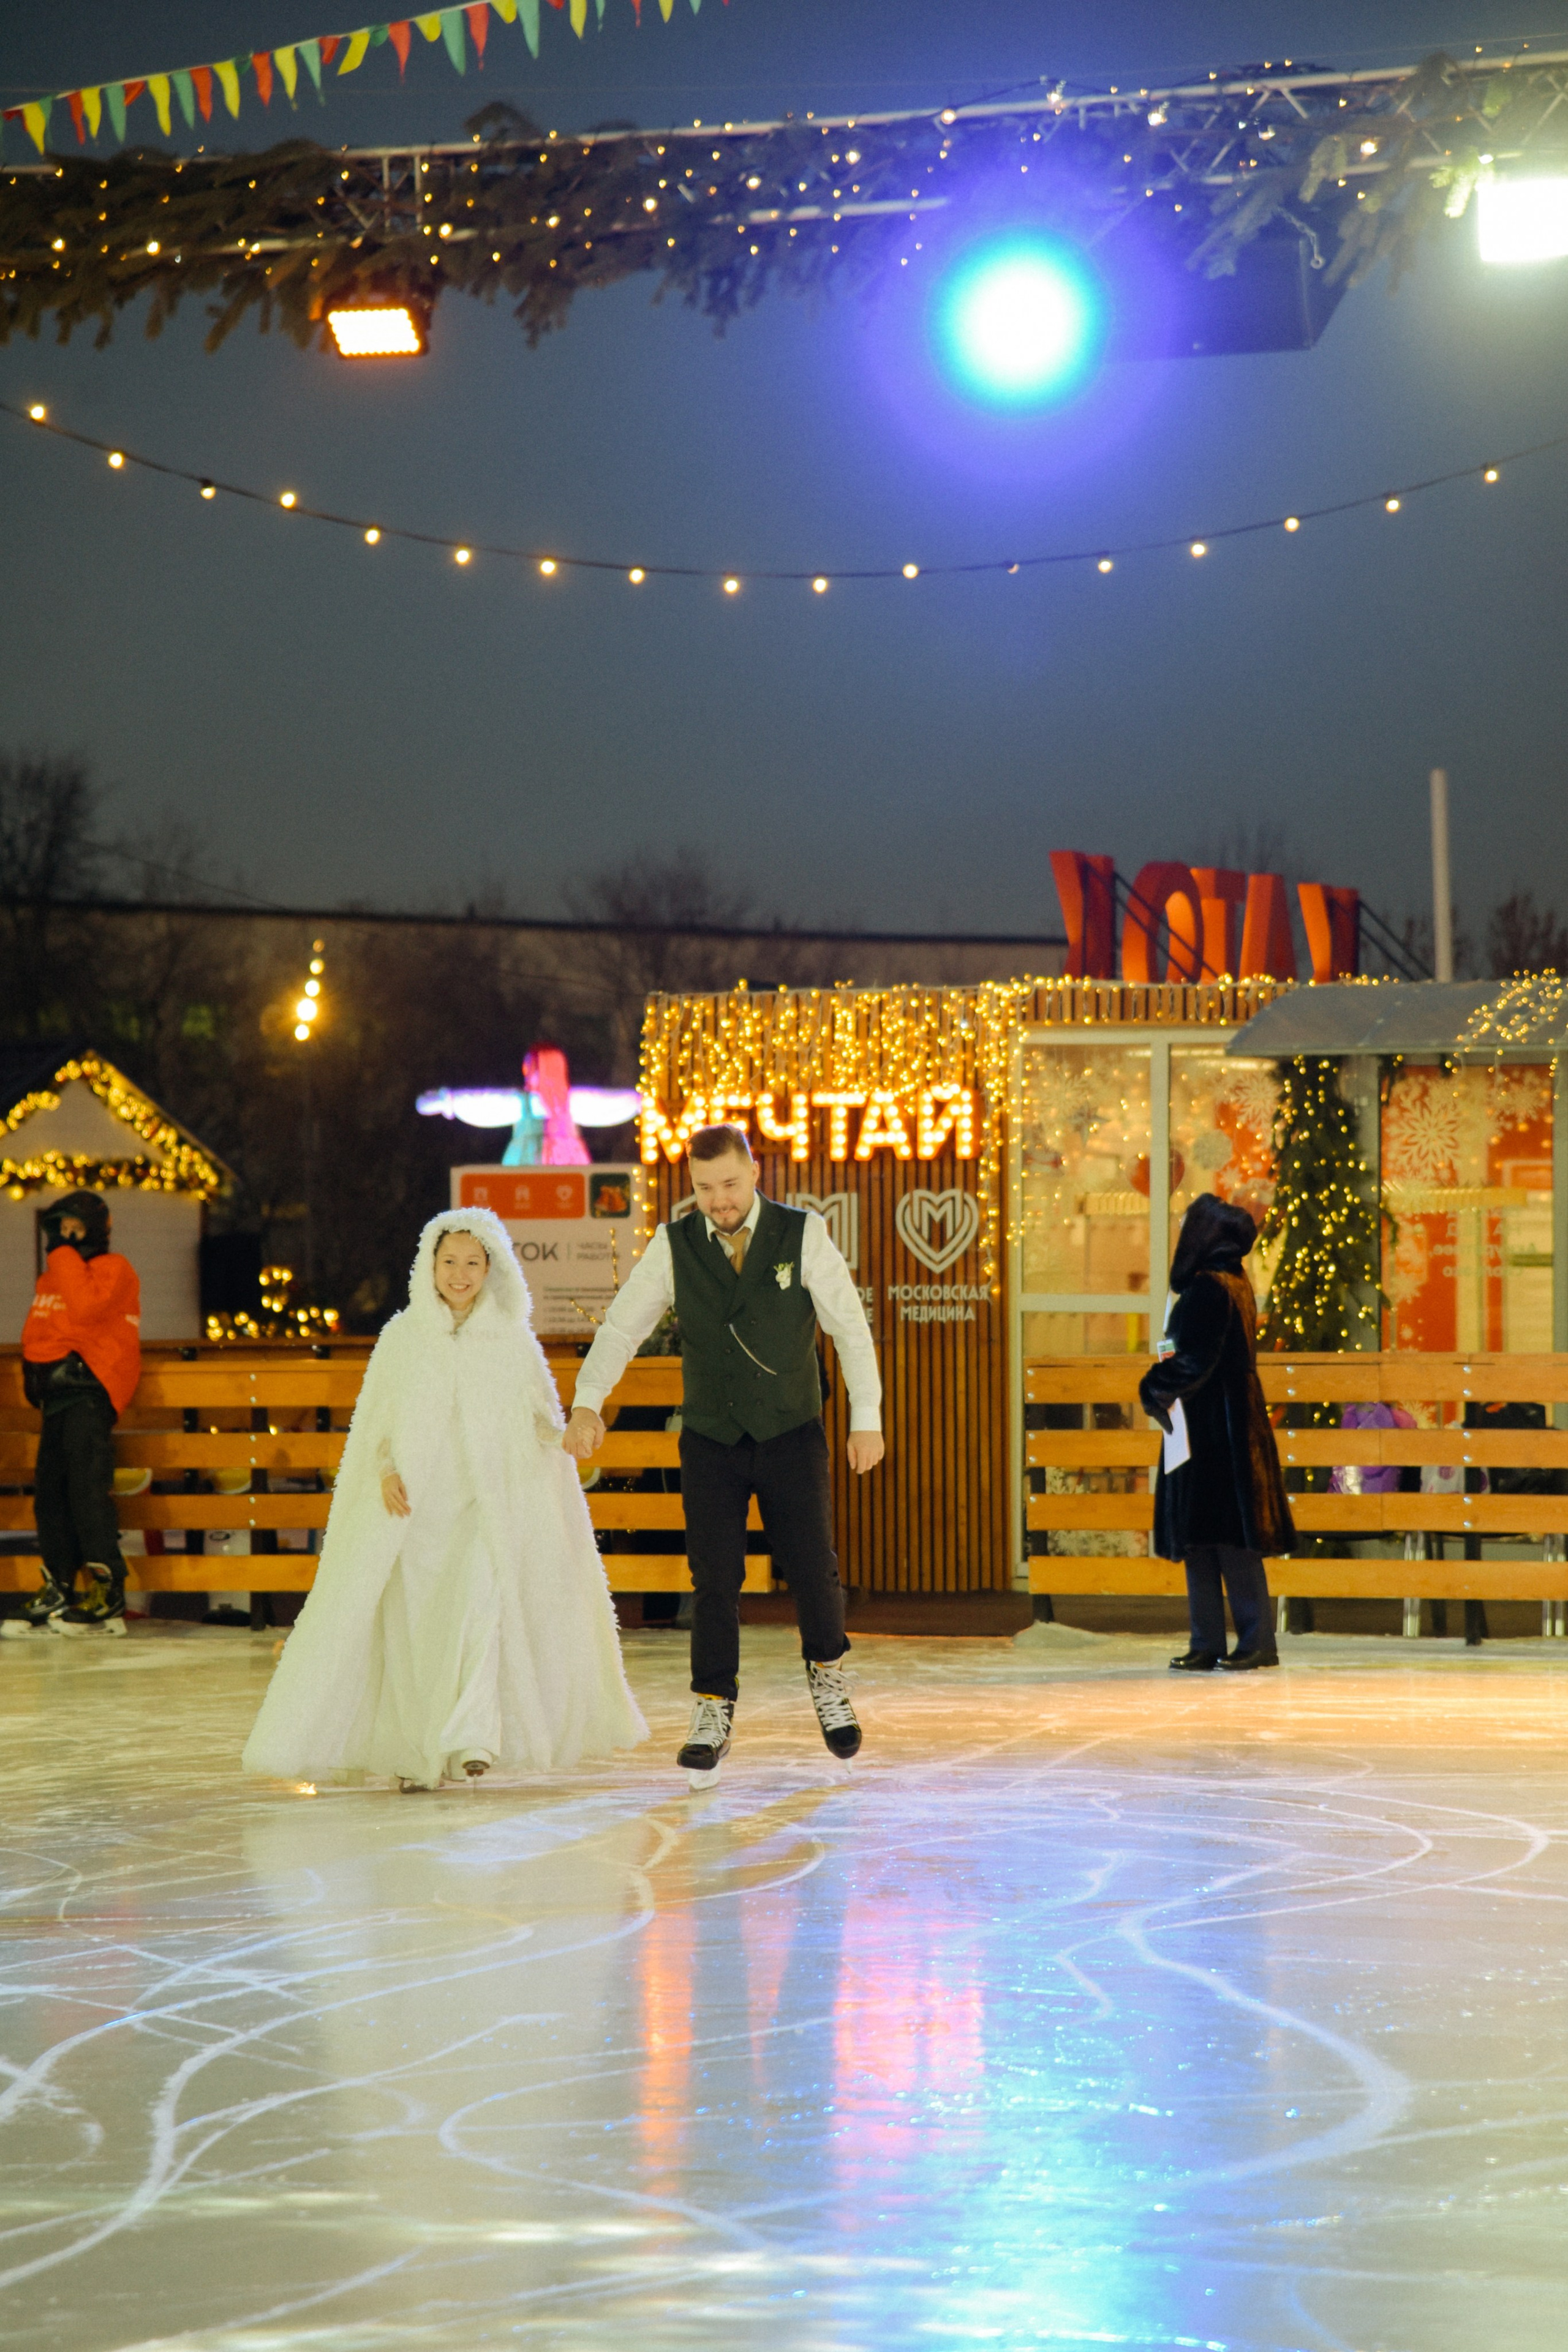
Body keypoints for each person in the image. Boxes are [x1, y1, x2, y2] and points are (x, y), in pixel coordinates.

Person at [243, 1208, 647, 1789]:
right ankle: (418, 1752)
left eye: (473, 1263)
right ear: (430, 1266)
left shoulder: (512, 1342)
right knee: (421, 1631)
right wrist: (384, 1474)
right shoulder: (403, 1339)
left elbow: (538, 1420)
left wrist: (565, 1436)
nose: (460, 1274)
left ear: (492, 1269)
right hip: (418, 1514)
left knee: (483, 1611)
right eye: (450, 1261)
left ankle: (473, 1739)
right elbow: (374, 1425)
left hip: (484, 1511)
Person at [564, 1122, 883, 1785]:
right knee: (714, 1580)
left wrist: (867, 1419)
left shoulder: (802, 1234)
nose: (720, 1199)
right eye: (706, 1188)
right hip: (711, 1437)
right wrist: (588, 1400)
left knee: (813, 1568)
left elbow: (849, 1328)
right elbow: (623, 1325)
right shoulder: (674, 1245)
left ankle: (827, 1677)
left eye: (730, 1184)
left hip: (791, 1431)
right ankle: (712, 1708)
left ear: (755, 1172)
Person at [1138, 1193, 1294, 1673]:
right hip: (1223, 1424)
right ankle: (1216, 1640)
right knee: (1214, 1539)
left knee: (1219, 1540)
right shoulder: (1234, 1283)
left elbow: (1193, 1361)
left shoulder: (1209, 1289)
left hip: (1212, 1429)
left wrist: (1152, 1386)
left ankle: (1246, 1640)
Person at [6, 1191, 141, 1640]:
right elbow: (41, 1332)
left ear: (95, 1229)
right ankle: (60, 1585)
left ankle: (109, 1589)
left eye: (74, 1230)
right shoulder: (54, 1278)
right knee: (51, 1494)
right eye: (59, 1230)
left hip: (88, 1395)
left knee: (87, 1490)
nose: (65, 1239)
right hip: (58, 1398)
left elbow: (85, 1311)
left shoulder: (114, 1269)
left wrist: (62, 1254)